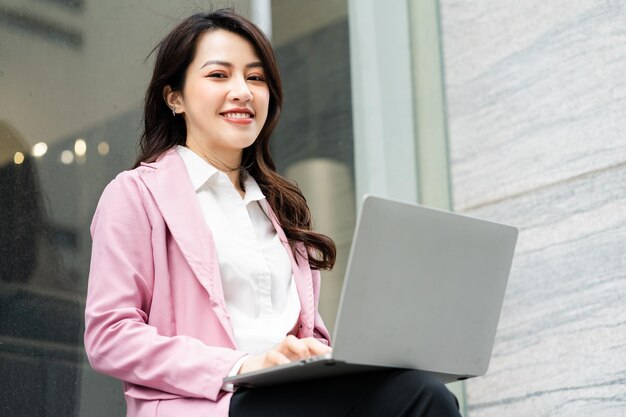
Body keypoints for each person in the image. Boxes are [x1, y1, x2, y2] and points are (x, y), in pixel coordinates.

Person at [84, 9, 461, 417]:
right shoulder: (135, 195)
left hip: (292, 393)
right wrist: (240, 365)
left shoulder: (281, 211)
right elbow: (111, 335)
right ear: (174, 97)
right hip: (209, 404)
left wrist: (328, 353)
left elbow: (306, 334)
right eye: (218, 75)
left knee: (423, 393)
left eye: (255, 77)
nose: (243, 91)